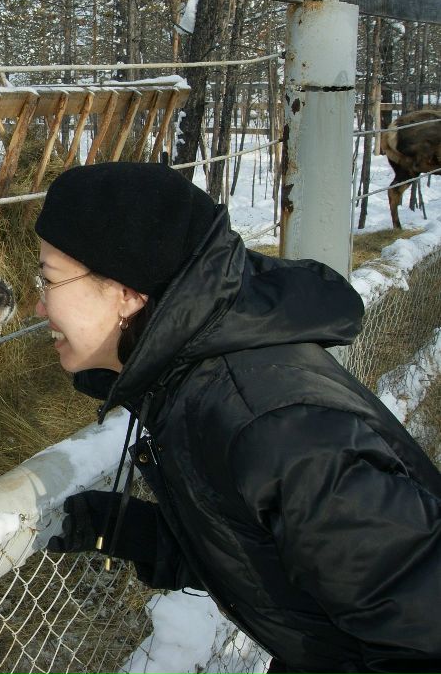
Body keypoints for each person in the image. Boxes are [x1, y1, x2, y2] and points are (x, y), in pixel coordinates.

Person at [34, 161, 441, 674]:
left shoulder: (271, 426)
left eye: (47, 278)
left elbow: (424, 637)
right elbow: (286, 557)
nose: (37, 305)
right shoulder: (192, 384)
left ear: (128, 293)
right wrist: (153, 536)